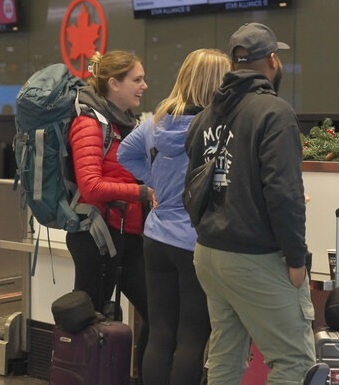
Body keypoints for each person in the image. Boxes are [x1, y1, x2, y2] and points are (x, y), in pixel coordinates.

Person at [185, 23, 328, 385]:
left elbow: (191, 181)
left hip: (209, 253)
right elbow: (284, 193)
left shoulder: (206, 115)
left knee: (226, 356)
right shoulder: (273, 113)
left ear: (233, 65)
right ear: (274, 61)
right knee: (294, 361)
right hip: (255, 258)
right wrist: (296, 260)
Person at [117, 48, 230, 385]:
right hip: (195, 241)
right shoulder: (215, 127)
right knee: (192, 337)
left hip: (155, 239)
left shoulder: (156, 121)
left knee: (161, 332)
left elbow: (125, 154)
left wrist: (155, 184)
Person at [66, 50, 152, 381]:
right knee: (89, 324)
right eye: (137, 79)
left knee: (155, 313)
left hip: (127, 237)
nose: (144, 85)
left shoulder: (126, 124)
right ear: (113, 84)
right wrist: (141, 193)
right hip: (96, 239)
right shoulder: (89, 123)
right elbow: (90, 186)